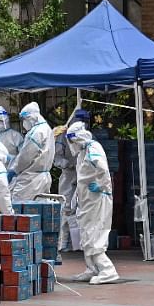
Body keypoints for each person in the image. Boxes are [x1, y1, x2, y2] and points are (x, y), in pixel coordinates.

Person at [64, 121, 119, 285]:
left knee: (95, 234)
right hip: (87, 199)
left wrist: (102, 186)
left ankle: (108, 270)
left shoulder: (93, 148)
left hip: (97, 198)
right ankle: (92, 268)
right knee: (86, 233)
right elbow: (82, 178)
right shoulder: (83, 151)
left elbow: (103, 169)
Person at [53, 108, 91, 252]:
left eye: (85, 121)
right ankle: (63, 243)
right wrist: (68, 164)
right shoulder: (64, 136)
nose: (83, 124)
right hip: (69, 175)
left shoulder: (88, 137)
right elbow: (56, 158)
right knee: (66, 208)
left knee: (82, 210)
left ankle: (78, 244)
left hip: (83, 175)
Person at [11, 102, 56, 202]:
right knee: (40, 209)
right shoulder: (47, 129)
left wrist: (14, 169)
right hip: (43, 178)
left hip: (30, 180)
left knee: (22, 210)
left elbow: (25, 157)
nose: (24, 124)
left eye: (24, 120)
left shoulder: (35, 133)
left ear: (31, 117)